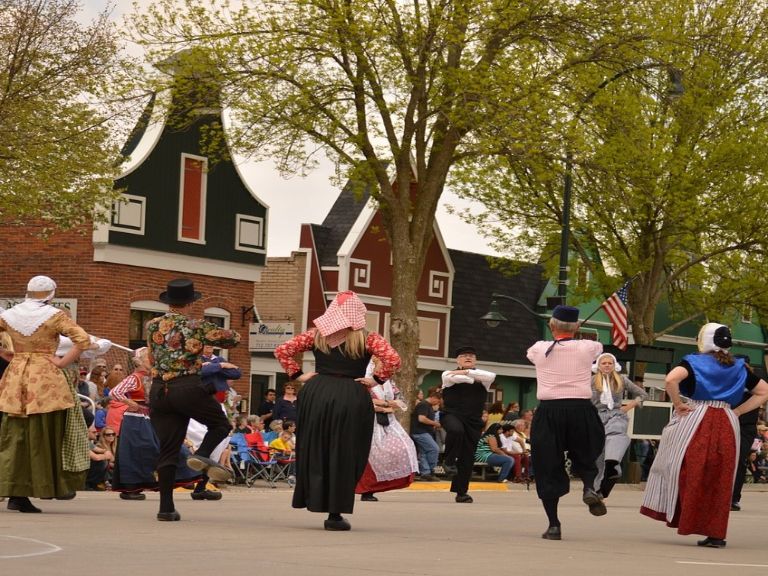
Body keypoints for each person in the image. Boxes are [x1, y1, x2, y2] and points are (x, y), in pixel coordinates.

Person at [274, 290, 401, 531]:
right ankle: (335, 512)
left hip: (317, 392)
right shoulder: (368, 338)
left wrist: (298, 375)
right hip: (350, 394)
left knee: (316, 445)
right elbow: (393, 359)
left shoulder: (317, 335)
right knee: (345, 449)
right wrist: (376, 379)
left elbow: (282, 350)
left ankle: (311, 497)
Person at [640, 323, 768, 548]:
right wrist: (737, 411)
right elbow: (764, 391)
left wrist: (678, 403)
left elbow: (670, 379)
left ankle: (680, 514)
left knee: (681, 465)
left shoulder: (693, 361)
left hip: (696, 416)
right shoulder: (740, 366)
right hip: (727, 420)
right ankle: (716, 534)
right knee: (720, 476)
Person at [147, 278, 241, 522]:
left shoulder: (152, 325)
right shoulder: (195, 324)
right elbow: (233, 338)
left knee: (167, 449)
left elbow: (150, 355)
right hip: (186, 386)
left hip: (159, 390)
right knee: (221, 425)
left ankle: (166, 508)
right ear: (190, 303)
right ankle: (202, 454)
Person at [0, 275, 92, 513]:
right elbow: (82, 340)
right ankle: (39, 486)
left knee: (15, 434)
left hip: (16, 377)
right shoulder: (54, 315)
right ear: (51, 293)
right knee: (41, 433)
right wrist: (61, 362)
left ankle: (15, 490)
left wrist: (9, 354)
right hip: (45, 380)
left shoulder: (9, 315)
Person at [526, 305, 606, 541]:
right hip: (580, 408)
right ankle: (590, 486)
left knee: (547, 464)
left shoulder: (539, 349)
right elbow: (598, 348)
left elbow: (531, 354)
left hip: (549, 410)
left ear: (552, 326)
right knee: (588, 450)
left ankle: (554, 525)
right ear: (577, 327)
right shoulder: (587, 347)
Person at [355, 358, 419, 501]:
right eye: (381, 364)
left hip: (388, 421)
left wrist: (386, 405)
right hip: (368, 421)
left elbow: (402, 401)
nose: (384, 368)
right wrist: (387, 404)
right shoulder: (365, 380)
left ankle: (376, 486)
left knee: (405, 446)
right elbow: (362, 399)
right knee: (370, 455)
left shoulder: (388, 382)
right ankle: (367, 490)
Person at [441, 346, 496, 503]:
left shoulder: (485, 378)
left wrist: (465, 372)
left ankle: (461, 492)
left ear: (476, 360)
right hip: (452, 415)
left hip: (473, 420)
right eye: (464, 356)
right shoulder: (446, 374)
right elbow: (457, 379)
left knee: (467, 457)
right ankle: (449, 461)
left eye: (471, 356)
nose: (468, 358)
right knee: (455, 430)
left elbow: (491, 375)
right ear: (457, 360)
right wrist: (467, 375)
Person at [590, 352, 648, 498]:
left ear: (614, 365)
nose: (607, 365)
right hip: (596, 417)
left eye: (610, 363)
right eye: (604, 363)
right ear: (599, 365)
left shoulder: (621, 380)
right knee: (598, 456)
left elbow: (642, 394)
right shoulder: (591, 381)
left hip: (616, 415)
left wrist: (629, 406)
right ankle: (597, 491)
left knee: (616, 437)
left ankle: (613, 464)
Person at [410, 387, 442, 481]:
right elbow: (421, 418)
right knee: (434, 449)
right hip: (420, 432)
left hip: (424, 432)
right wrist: (435, 423)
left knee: (424, 453)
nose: (438, 404)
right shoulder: (424, 405)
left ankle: (425, 473)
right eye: (438, 401)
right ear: (434, 398)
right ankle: (431, 470)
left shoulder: (428, 406)